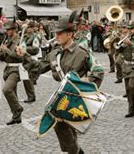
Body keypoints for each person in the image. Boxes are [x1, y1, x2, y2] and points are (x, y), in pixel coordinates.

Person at [16, 15, 104, 154]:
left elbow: (98, 70)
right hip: (63, 95)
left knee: (63, 127)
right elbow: (38, 67)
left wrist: (86, 82)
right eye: (55, 33)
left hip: (77, 98)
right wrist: (25, 55)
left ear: (69, 34)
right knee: (62, 128)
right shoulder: (54, 53)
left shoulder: (82, 52)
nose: (56, 36)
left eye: (59, 33)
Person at [0, 19, 24, 125]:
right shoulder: (7, 40)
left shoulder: (20, 40)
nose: (7, 32)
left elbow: (17, 56)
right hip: (8, 69)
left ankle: (18, 108)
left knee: (7, 90)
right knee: (13, 93)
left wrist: (6, 50)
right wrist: (0, 52)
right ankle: (16, 116)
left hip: (16, 69)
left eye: (9, 30)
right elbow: (3, 57)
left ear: (14, 30)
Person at [117, 20, 134, 118]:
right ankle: (131, 109)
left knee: (132, 86)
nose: (130, 31)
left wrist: (130, 43)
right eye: (129, 29)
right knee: (128, 89)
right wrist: (120, 44)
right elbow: (119, 50)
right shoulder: (127, 38)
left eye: (132, 29)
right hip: (126, 66)